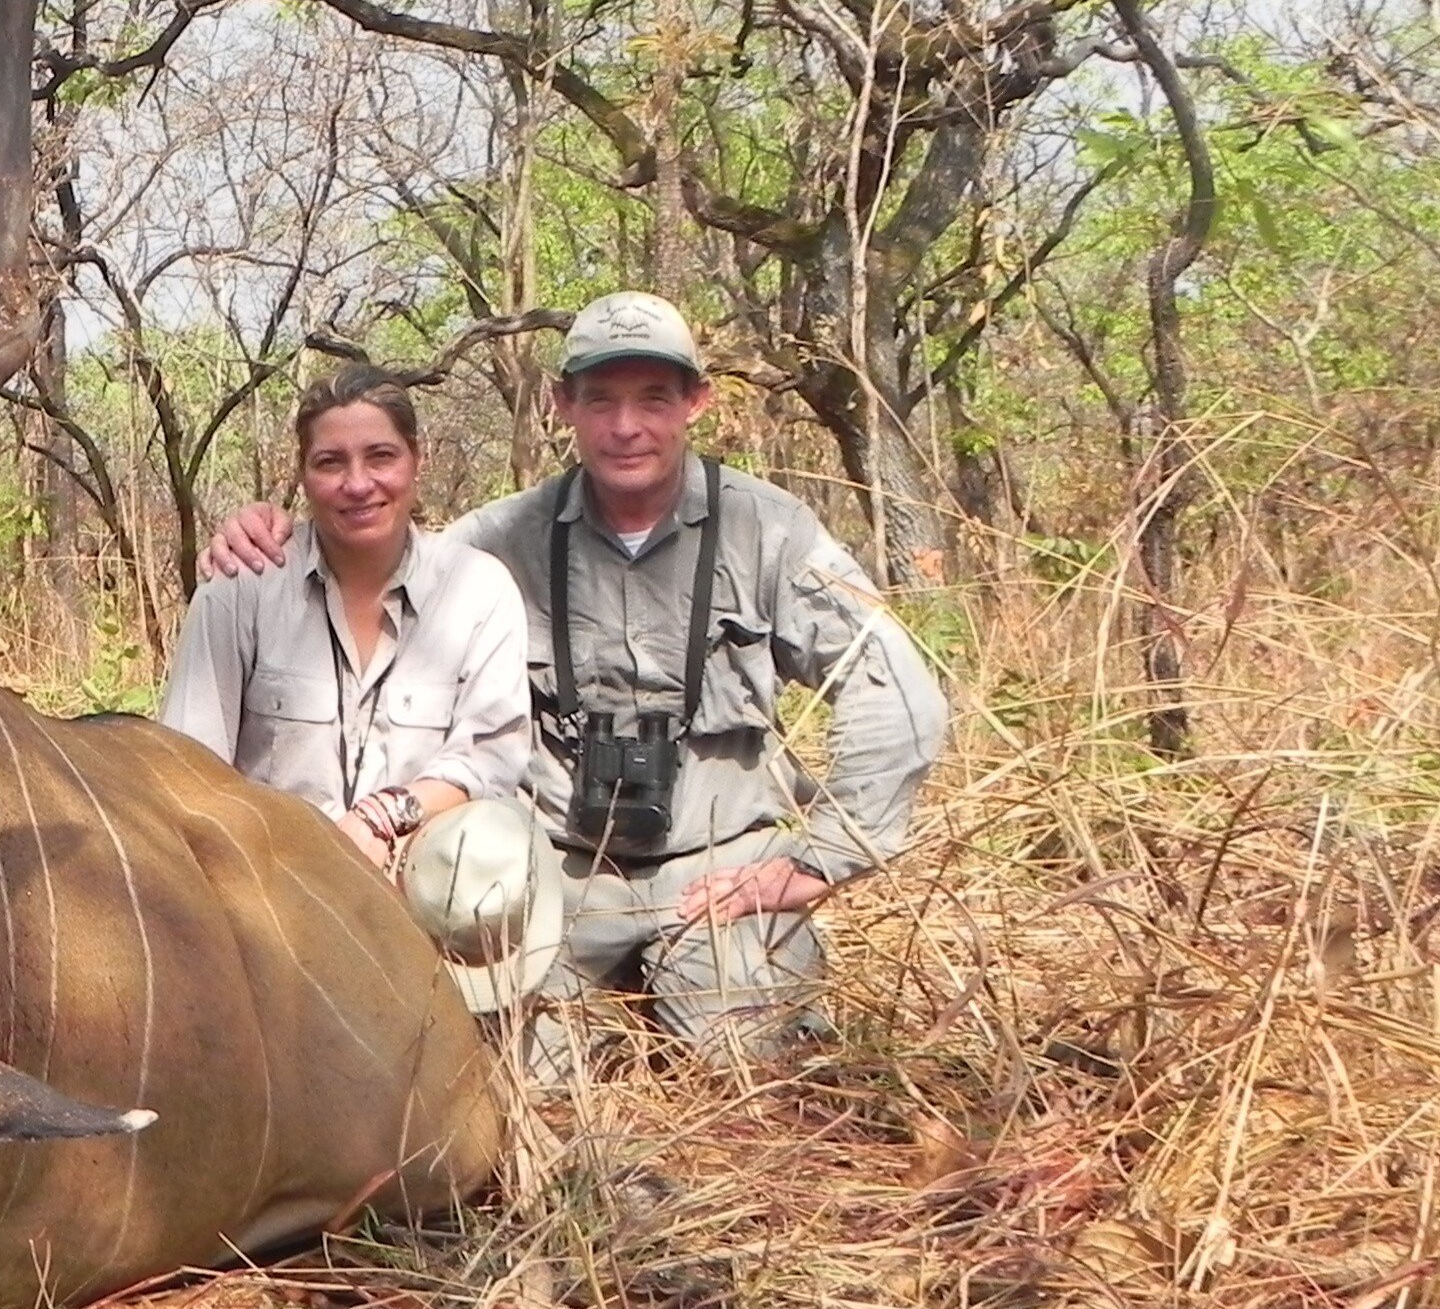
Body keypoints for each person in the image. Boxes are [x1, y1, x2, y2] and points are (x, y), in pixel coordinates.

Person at [200, 295, 949, 1064]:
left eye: (654, 398)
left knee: (752, 1068)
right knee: (496, 1080)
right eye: (601, 400)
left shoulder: (772, 530)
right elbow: (377, 570)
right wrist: (272, 534)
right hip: (552, 873)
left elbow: (897, 695)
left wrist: (815, 861)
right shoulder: (494, 545)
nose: (626, 427)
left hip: (718, 874)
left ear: (697, 401)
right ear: (563, 405)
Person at [156, 367, 553, 1016]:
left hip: (427, 926)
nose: (358, 483)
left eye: (381, 456)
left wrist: (381, 819)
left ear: (416, 462)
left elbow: (490, 758)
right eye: (330, 462)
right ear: (304, 475)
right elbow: (185, 774)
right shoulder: (241, 588)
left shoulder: (479, 591)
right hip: (271, 924)